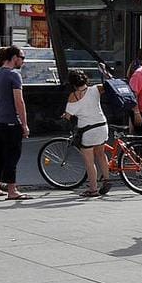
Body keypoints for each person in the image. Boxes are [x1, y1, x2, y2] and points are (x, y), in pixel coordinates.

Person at [0, 46, 31, 200]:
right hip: (12, 122)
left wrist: (0, 110)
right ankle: (12, 190)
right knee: (12, 156)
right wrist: (24, 124)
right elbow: (19, 101)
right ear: (14, 57)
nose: (23, 61)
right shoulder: (14, 75)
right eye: (22, 58)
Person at [63, 69, 110, 197]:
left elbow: (68, 115)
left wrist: (65, 115)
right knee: (101, 154)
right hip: (102, 126)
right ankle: (107, 179)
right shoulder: (96, 89)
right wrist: (106, 74)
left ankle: (93, 189)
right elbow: (110, 85)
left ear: (72, 83)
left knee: (89, 161)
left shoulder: (74, 96)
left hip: (88, 131)